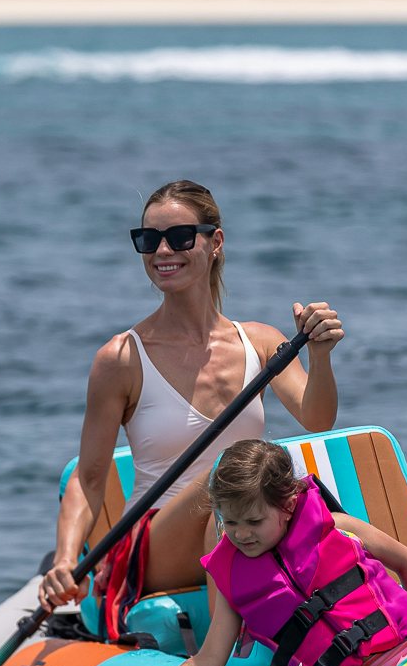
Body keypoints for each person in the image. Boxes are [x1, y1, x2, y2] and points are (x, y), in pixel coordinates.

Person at [38, 180, 345, 622]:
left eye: (179, 237)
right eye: (148, 241)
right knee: (235, 471)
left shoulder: (260, 343)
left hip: (240, 521)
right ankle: (228, 650)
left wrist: (319, 356)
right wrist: (66, 561)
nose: (163, 251)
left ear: (214, 242)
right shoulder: (121, 359)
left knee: (284, 489)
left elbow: (318, 420)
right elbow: (88, 480)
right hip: (156, 545)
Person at [116, 439, 407, 666]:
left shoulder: (339, 528)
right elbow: (207, 662)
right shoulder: (233, 579)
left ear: (289, 504)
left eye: (254, 521)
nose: (241, 534)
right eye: (230, 523)